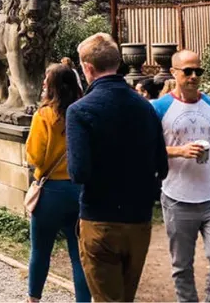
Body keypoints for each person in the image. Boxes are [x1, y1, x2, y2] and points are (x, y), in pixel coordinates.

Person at [66, 33, 168, 302]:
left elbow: (79, 172)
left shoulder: (80, 110)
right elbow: (162, 166)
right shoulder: (145, 107)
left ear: (87, 68)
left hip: (100, 217)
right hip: (138, 220)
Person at [152, 50, 210, 303]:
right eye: (187, 71)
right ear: (173, 73)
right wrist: (179, 151)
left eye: (198, 71)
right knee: (182, 265)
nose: (193, 76)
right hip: (176, 198)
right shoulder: (158, 108)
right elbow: (146, 149)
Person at [25, 64, 91, 303]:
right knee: (78, 255)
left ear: (53, 85)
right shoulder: (84, 112)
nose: (43, 83)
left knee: (40, 251)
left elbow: (35, 156)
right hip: (79, 189)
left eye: (47, 79)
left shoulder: (44, 115)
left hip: (50, 191)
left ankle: (34, 299)